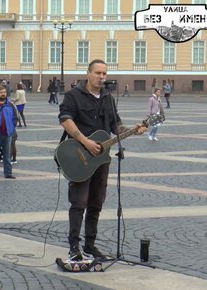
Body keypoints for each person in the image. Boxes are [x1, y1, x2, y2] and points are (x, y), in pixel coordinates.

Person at [58, 59, 147, 261]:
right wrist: (85, 141)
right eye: (98, 73)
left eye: (104, 73)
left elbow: (116, 125)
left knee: (96, 203)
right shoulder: (74, 96)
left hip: (101, 160)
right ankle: (74, 247)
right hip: (79, 156)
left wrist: (134, 130)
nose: (102, 77)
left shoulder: (108, 97)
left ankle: (90, 245)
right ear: (88, 74)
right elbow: (65, 119)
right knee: (78, 203)